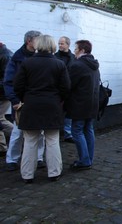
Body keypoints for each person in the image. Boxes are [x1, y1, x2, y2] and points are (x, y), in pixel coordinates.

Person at [13, 35, 71, 182]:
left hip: (31, 104)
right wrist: (58, 99)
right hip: (52, 104)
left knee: (30, 141)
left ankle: (27, 175)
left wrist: (26, 98)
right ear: (52, 46)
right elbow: (66, 88)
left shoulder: (27, 63)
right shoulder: (59, 64)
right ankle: (54, 172)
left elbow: (17, 86)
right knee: (52, 140)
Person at [3, 31, 46, 171]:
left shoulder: (40, 57)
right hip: (20, 101)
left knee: (40, 132)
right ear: (29, 41)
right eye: (37, 40)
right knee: (17, 132)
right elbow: (8, 82)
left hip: (37, 100)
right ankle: (12, 159)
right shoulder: (16, 58)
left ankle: (39, 157)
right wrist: (15, 100)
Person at [66, 40, 100, 170]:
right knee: (88, 130)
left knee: (77, 131)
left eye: (76, 49)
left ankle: (84, 161)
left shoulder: (78, 65)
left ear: (82, 50)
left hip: (79, 104)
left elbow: (69, 85)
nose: (74, 51)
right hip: (92, 104)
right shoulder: (94, 65)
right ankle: (88, 159)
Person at [55, 36, 75, 143]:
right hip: (58, 90)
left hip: (70, 89)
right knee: (57, 112)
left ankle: (68, 134)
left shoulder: (73, 57)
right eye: (59, 43)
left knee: (69, 112)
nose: (60, 45)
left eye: (62, 43)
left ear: (68, 44)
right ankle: (55, 133)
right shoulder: (55, 57)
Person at [0, 42, 14, 153]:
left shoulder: (6, 55)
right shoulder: (5, 54)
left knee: (0, 119)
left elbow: (7, 78)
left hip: (2, 94)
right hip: (4, 92)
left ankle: (2, 146)